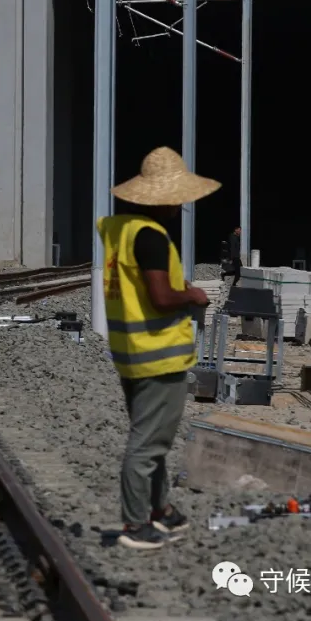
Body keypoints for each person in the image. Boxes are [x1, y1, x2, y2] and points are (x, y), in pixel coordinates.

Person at [97, 146, 219, 550]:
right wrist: (193, 295)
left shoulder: (122, 229)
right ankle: (135, 525)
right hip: (158, 355)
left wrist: (177, 289)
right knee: (147, 443)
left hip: (132, 351)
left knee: (155, 438)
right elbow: (160, 297)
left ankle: (159, 510)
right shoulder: (150, 237)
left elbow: (143, 289)